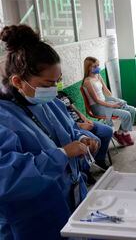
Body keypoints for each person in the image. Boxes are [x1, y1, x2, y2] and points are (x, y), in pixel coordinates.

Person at [0, 25, 97, 239]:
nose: (53, 89)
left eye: (57, 81)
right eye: (47, 83)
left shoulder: (49, 102)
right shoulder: (4, 119)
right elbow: (6, 179)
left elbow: (68, 131)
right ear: (17, 81)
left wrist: (82, 138)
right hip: (31, 221)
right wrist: (62, 155)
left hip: (70, 202)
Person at [57, 84, 112, 171]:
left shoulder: (61, 94)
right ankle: (86, 169)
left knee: (107, 130)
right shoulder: (48, 102)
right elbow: (61, 123)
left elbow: (74, 109)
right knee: (94, 141)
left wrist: (85, 119)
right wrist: (80, 125)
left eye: (59, 79)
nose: (57, 83)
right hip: (73, 126)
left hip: (81, 121)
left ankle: (99, 159)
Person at [82, 56, 136, 146]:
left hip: (104, 102)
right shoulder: (87, 82)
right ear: (88, 68)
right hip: (97, 107)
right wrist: (112, 105)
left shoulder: (98, 76)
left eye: (98, 65)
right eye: (94, 66)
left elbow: (106, 91)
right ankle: (123, 133)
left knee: (132, 109)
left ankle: (120, 132)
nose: (97, 68)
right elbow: (97, 100)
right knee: (126, 114)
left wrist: (117, 101)